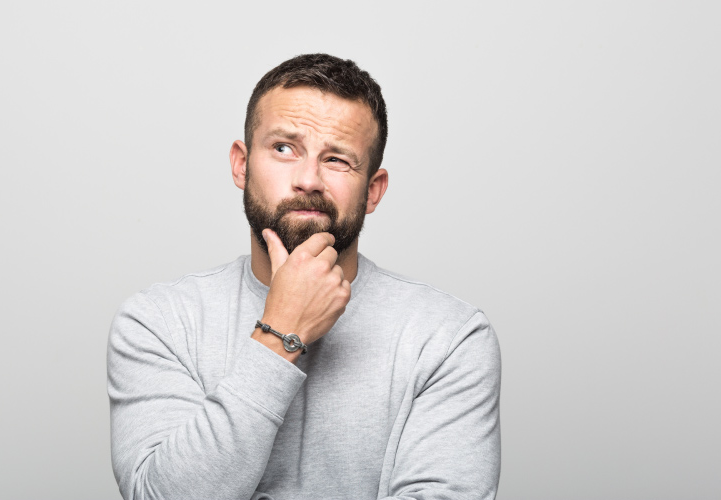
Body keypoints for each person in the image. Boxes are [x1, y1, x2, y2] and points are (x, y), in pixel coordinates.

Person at [108, 53, 501, 500]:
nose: (308, 179)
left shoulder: (449, 336)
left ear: (372, 191)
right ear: (241, 165)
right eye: (283, 148)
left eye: (337, 159)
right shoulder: (158, 322)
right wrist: (281, 332)